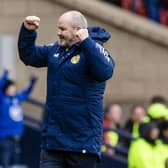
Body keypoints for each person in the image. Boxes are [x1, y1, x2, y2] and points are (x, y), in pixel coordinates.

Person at [18, 11, 115, 168]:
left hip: (82, 144)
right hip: (53, 142)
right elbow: (29, 56)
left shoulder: (94, 50)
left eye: (62, 29)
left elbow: (105, 71)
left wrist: (87, 42)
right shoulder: (56, 49)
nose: (58, 33)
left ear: (78, 30)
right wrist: (27, 32)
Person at [0, 69, 37, 167]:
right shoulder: (3, 99)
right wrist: (5, 75)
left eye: (14, 88)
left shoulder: (16, 98)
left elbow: (26, 92)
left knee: (15, 161)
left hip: (16, 136)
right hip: (5, 137)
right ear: (6, 89)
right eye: (11, 88)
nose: (13, 90)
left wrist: (32, 81)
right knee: (5, 161)